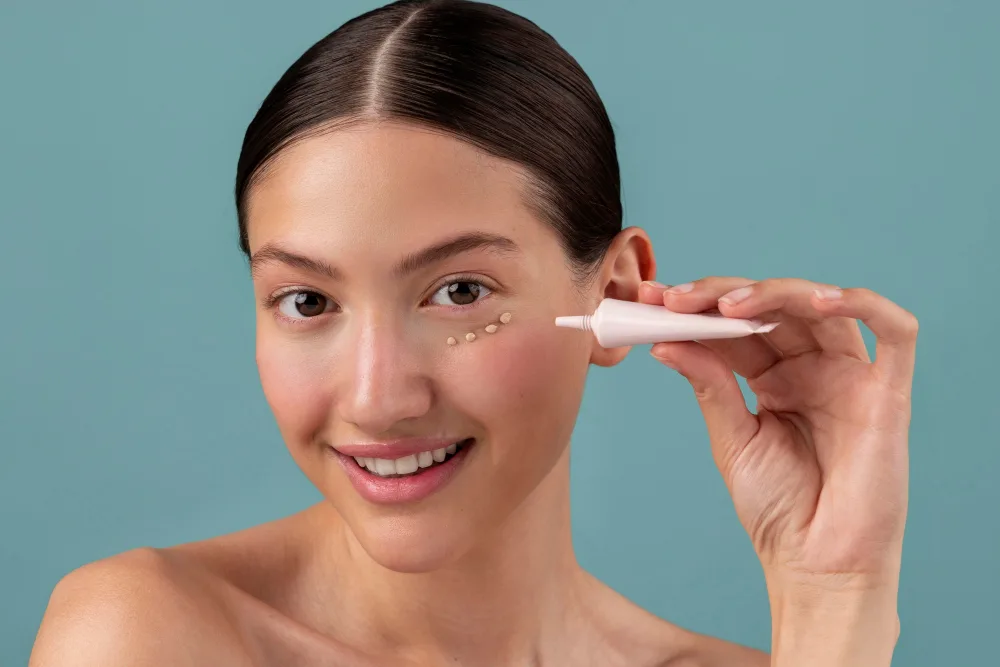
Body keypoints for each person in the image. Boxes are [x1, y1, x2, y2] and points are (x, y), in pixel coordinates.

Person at [30, 1, 917, 665]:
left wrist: (837, 599)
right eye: (307, 301)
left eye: (458, 290)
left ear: (617, 292)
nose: (378, 396)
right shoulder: (147, 636)